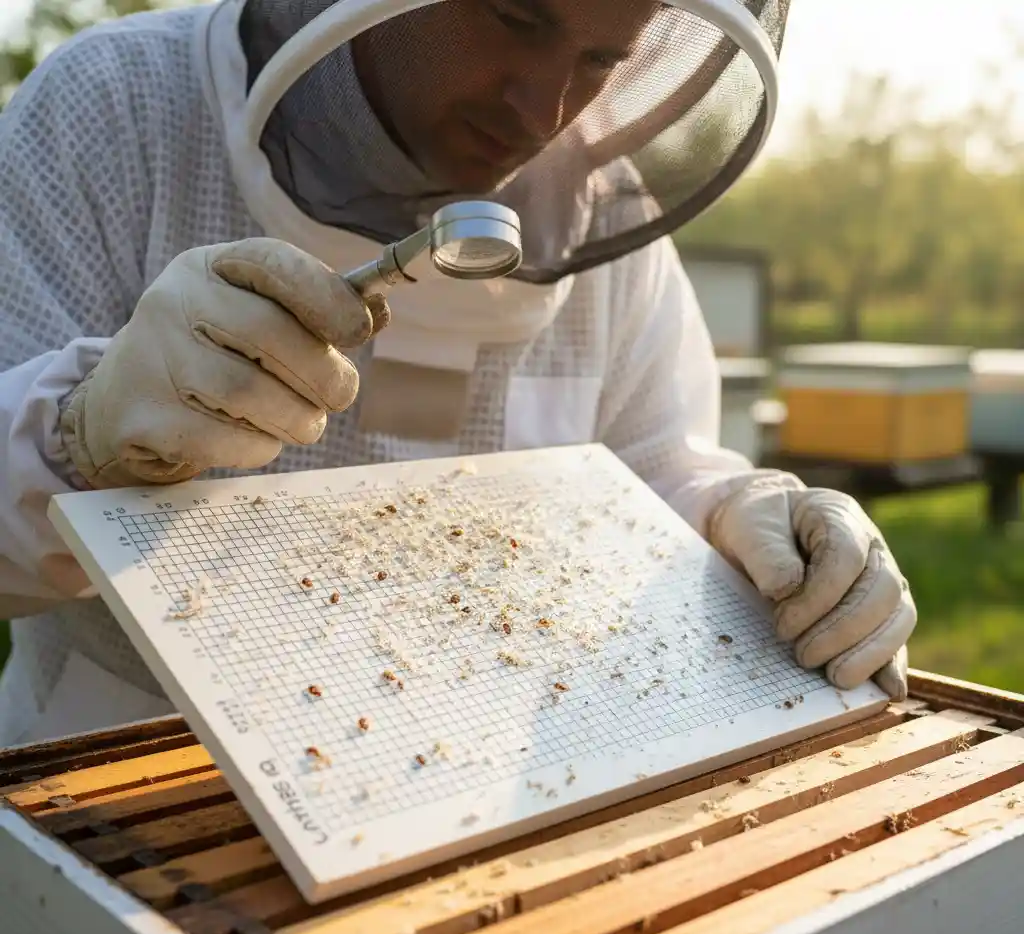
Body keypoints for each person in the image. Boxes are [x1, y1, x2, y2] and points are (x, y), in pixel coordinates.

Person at [0, 0, 916, 747]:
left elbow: (652, 473)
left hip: (477, 780)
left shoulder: (605, 206)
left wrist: (743, 519)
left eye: (601, 58)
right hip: (132, 777)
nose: (544, 110)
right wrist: (77, 434)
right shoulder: (116, 109)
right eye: (517, 17)